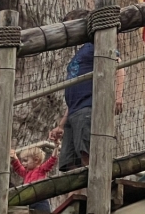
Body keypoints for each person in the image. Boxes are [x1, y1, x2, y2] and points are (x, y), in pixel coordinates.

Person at [50, 9, 125, 173]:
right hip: (74, 111)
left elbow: (119, 68)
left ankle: (97, 188)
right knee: (69, 162)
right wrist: (61, 125)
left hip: (87, 106)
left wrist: (118, 96)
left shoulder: (97, 43)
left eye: (70, 24)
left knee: (86, 152)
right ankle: (80, 194)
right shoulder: (79, 52)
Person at [10, 141, 60, 212]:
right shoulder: (26, 173)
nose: (23, 163)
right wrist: (14, 158)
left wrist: (56, 148)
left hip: (40, 200)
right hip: (29, 201)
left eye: (25, 160)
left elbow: (51, 161)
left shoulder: (41, 170)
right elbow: (18, 167)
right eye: (22, 161)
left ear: (36, 160)